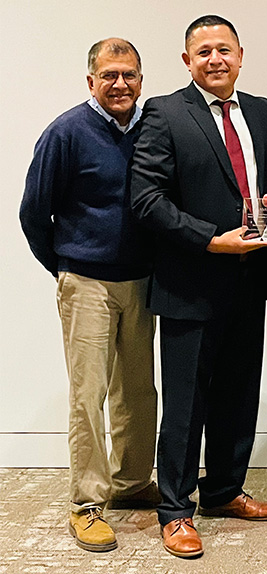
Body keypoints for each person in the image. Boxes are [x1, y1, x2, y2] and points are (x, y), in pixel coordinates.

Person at [130, 15, 267, 558]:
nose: (215, 59)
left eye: (224, 49)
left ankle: (224, 490)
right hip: (191, 283)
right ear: (187, 61)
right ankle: (176, 510)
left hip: (252, 278)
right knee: (186, 403)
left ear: (241, 55)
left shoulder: (264, 113)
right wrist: (210, 240)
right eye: (203, 52)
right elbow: (147, 200)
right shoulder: (164, 112)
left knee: (239, 394)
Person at [19, 38, 159, 552]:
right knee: (89, 395)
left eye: (129, 75)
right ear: (91, 81)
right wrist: (65, 268)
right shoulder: (66, 132)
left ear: (142, 80)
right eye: (110, 75)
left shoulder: (151, 128)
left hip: (141, 282)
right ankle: (87, 503)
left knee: (138, 393)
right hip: (86, 282)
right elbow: (34, 212)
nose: (120, 84)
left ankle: (132, 482)